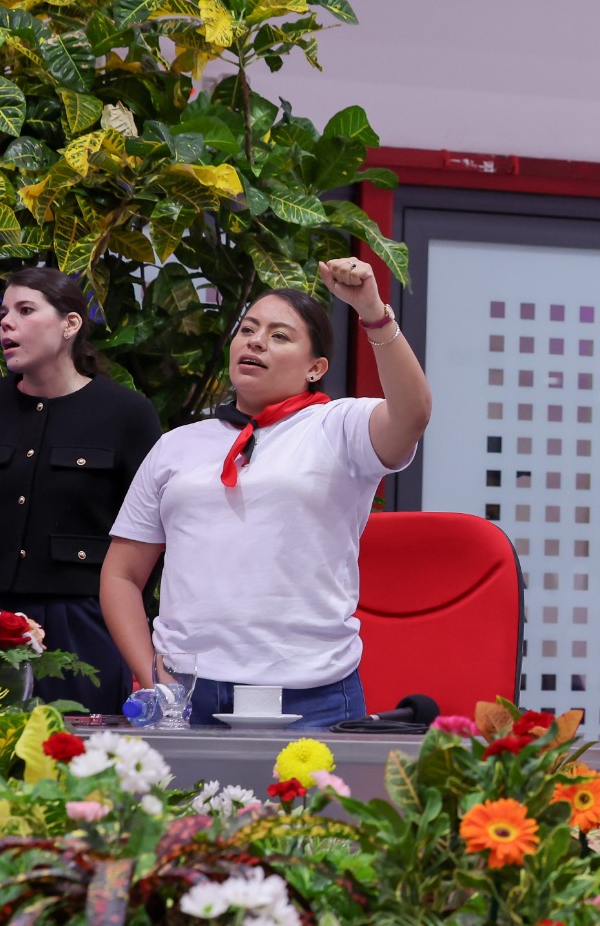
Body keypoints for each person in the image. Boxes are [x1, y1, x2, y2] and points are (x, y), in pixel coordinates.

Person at [100, 258, 432, 728]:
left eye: (280, 336)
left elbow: (412, 414)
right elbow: (122, 574)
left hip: (315, 694)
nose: (255, 341)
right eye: (248, 329)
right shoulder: (176, 445)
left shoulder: (339, 426)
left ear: (315, 368)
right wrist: (155, 678)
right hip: (188, 694)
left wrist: (374, 316)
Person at [0, 267, 162, 714]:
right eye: (4, 313)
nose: (7, 323)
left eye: (25, 310)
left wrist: (123, 616)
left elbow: (151, 535)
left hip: (86, 619)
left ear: (70, 324)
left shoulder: (126, 413)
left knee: (81, 748)